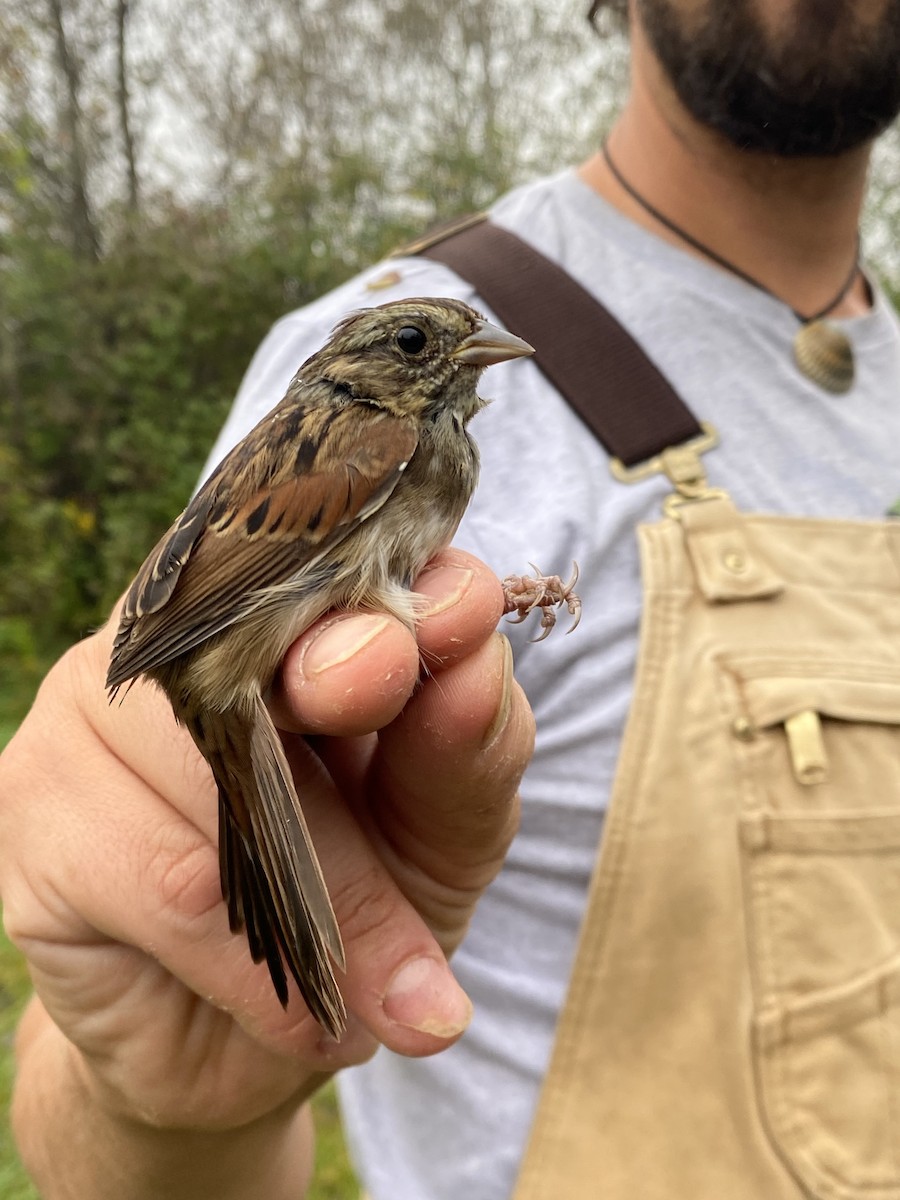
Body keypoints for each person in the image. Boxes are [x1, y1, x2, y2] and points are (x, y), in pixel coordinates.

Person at [3, 0, 900, 1197]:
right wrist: (160, 1116)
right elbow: (270, 574)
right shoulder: (364, 410)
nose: (465, 353)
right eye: (432, 348)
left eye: (460, 347)